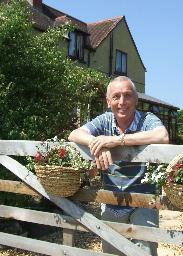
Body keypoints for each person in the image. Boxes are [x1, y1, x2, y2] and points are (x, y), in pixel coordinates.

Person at [68, 76, 169, 256]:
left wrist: (115, 140)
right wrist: (97, 144)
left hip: (144, 201)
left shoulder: (147, 119)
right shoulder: (105, 120)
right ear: (108, 102)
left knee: (145, 250)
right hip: (112, 201)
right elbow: (74, 134)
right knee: (111, 251)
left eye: (127, 95)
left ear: (136, 100)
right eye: (116, 96)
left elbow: (162, 136)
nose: (122, 102)